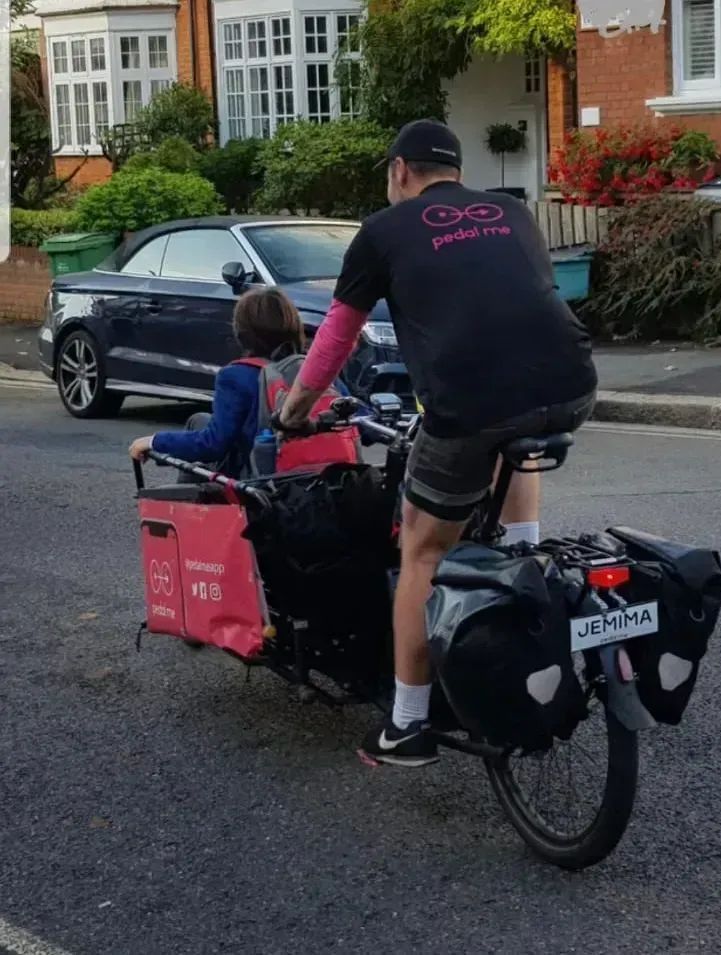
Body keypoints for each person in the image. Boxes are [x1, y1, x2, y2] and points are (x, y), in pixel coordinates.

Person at [277, 119, 598, 767]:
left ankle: (407, 725)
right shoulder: (510, 211)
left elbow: (336, 340)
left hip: (468, 403)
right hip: (571, 381)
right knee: (519, 435)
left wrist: (293, 411)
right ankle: (523, 558)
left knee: (420, 551)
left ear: (400, 171)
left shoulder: (381, 231)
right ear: (455, 170)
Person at [128, 287, 306, 470]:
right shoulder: (311, 371)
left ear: (243, 332)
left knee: (198, 424)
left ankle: (195, 496)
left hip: (261, 474)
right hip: (312, 471)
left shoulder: (237, 375)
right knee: (199, 420)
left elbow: (213, 444)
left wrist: (154, 442)